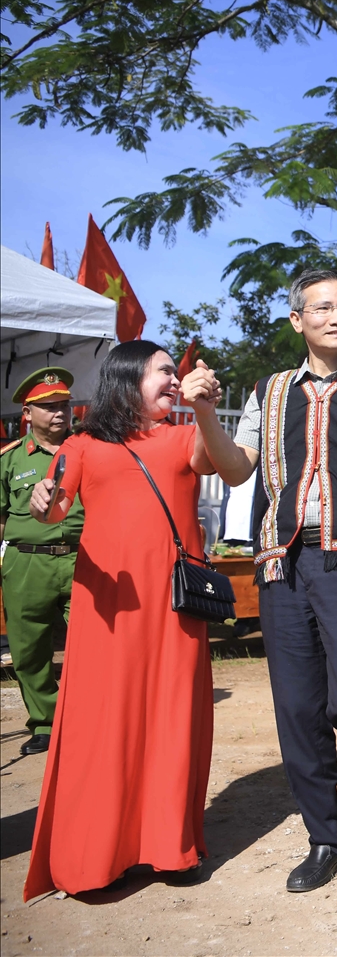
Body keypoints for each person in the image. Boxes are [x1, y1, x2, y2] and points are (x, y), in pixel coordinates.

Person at [202, 268, 337, 893]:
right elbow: (237, 468)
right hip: (282, 561)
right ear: (297, 320)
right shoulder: (268, 392)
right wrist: (202, 412)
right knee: (297, 709)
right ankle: (327, 836)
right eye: (322, 308)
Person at [22, 343, 222, 899]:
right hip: (106, 610)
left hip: (174, 609)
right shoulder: (81, 444)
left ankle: (169, 847)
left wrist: (205, 409)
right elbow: (54, 506)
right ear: (128, 377)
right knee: (103, 724)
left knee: (172, 717)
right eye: (163, 371)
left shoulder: (184, 436)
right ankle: (95, 855)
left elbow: (218, 462)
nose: (172, 379)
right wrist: (42, 502)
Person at [1, 368, 82, 757]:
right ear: (27, 412)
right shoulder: (10, 459)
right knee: (28, 650)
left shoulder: (89, 449)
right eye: (48, 407)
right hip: (26, 564)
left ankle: (88, 717)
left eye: (63, 405)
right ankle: (46, 723)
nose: (59, 413)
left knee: (93, 643)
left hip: (84, 561)